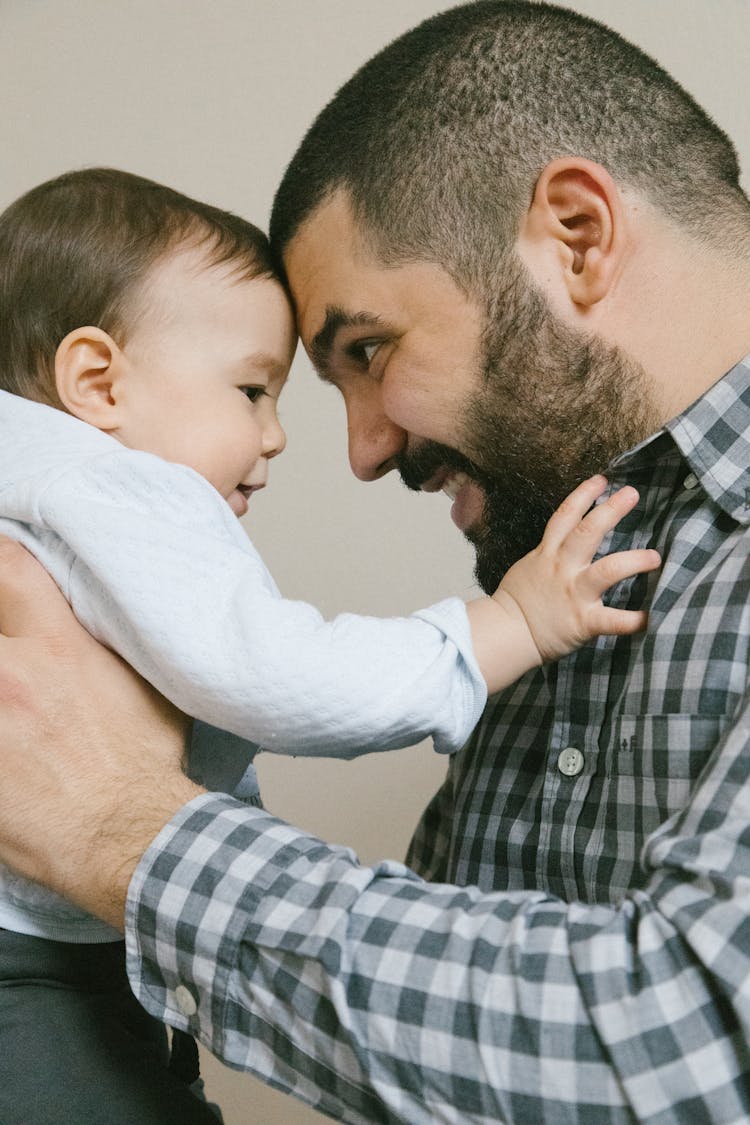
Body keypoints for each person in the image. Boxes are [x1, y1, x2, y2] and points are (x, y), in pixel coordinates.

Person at [0, 0, 749, 1120]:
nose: (357, 453)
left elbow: (685, 1047)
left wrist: (119, 825)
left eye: (369, 349)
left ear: (578, 238)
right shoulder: (563, 561)